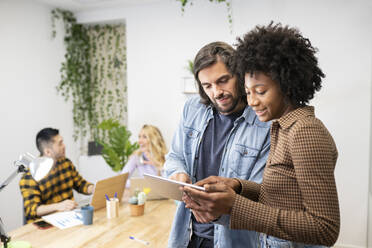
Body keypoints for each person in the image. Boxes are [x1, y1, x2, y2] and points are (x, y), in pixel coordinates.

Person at [182, 22, 340, 247]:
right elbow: (282, 197)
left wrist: (234, 206)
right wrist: (237, 186)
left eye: (261, 91)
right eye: (248, 92)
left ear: (285, 83)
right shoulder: (282, 128)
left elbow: (325, 228)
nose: (252, 101)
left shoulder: (306, 131)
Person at [164, 41, 271, 248]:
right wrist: (178, 174)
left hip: (235, 240)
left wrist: (217, 207)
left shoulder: (264, 123)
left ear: (239, 75)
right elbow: (175, 157)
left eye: (223, 81)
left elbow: (262, 192)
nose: (216, 92)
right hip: (188, 235)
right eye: (207, 86)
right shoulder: (191, 109)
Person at [19, 128, 94, 223]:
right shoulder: (30, 177)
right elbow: (32, 210)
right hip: (44, 227)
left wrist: (94, 188)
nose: (64, 146)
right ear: (48, 152)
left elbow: (81, 185)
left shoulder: (65, 163)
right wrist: (59, 206)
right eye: (60, 143)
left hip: (69, 220)